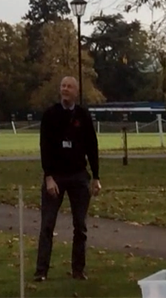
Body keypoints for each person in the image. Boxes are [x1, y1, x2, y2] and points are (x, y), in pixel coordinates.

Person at [34, 75, 101, 282]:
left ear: (76, 91)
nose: (65, 89)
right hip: (55, 176)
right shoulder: (50, 115)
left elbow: (92, 146)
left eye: (69, 86)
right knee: (47, 225)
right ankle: (41, 271)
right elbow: (44, 147)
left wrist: (96, 177)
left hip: (78, 176)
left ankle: (78, 270)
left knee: (80, 226)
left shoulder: (83, 116)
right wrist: (48, 177)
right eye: (63, 86)